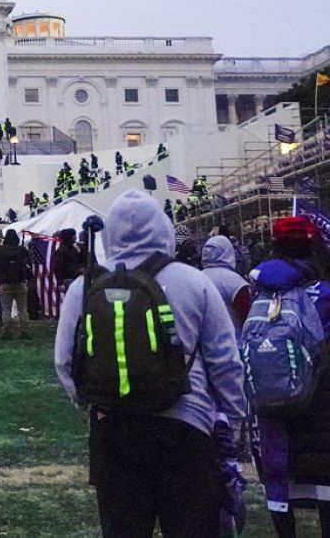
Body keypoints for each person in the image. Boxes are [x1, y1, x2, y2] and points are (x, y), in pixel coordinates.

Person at [53, 189, 246, 538]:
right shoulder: (193, 281)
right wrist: (231, 422)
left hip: (113, 429)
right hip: (186, 426)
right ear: (163, 229)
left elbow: (65, 360)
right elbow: (225, 361)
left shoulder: (85, 286)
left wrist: (90, 403)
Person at [248, 218, 330, 537]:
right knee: (324, 482)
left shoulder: (261, 289)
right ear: (312, 245)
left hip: (271, 400)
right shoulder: (324, 292)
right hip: (320, 399)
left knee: (279, 478)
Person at [201, 236, 251, 332]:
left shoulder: (196, 278)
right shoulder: (235, 281)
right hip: (233, 340)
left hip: (203, 342)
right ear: (228, 252)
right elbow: (247, 316)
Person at [0, 229, 32, 340]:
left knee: (6, 309)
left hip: (5, 283)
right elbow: (29, 260)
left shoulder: (1, 251)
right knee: (22, 309)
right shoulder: (21, 249)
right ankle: (24, 330)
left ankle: (7, 331)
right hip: (20, 282)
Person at [51, 229, 84, 294]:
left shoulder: (74, 249)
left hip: (76, 277)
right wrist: (60, 283)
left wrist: (82, 250)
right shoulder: (61, 250)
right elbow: (57, 268)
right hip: (68, 279)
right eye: (74, 235)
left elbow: (79, 261)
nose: (76, 237)